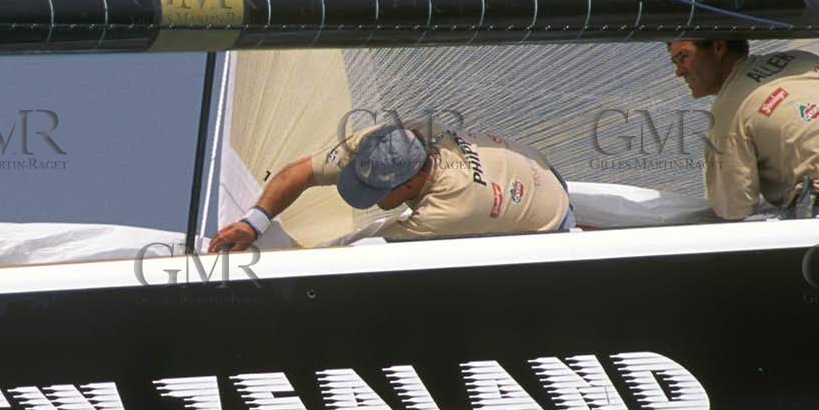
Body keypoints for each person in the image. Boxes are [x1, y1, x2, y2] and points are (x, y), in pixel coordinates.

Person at [208, 121, 573, 252]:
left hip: (552, 222)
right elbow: (300, 172)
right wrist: (251, 223)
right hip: (534, 167)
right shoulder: (384, 139)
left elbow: (363, 250)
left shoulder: (450, 207)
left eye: (379, 193)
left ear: (412, 181)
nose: (371, 200)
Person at [667, 38, 819, 220]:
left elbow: (733, 211)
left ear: (718, 46)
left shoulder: (726, 115)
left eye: (683, 57)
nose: (679, 71)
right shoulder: (802, 61)